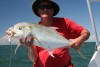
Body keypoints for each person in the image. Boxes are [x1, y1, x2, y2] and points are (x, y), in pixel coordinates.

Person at [19, 0, 90, 67]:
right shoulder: (34, 30)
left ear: (53, 10)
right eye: (42, 7)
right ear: (38, 11)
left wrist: (78, 40)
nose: (45, 9)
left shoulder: (65, 22)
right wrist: (30, 47)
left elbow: (86, 33)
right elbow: (33, 59)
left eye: (48, 7)